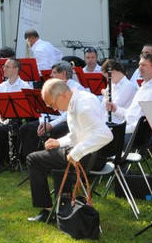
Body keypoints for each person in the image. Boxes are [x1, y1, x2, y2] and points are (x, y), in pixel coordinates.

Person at [25, 78, 113, 223]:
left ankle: (47, 210)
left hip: (90, 157)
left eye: (53, 104)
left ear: (62, 95)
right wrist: (59, 142)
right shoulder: (81, 98)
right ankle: (63, 208)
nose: (54, 109)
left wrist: (77, 152)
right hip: (92, 154)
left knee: (33, 159)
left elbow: (106, 135)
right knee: (52, 159)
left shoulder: (82, 107)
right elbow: (78, 135)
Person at [18, 61, 85, 160]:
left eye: (54, 72)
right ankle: (30, 160)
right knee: (25, 129)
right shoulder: (51, 86)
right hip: (50, 118)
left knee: (55, 131)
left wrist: (51, 125)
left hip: (65, 120)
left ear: (63, 74)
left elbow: (68, 114)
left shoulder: (76, 88)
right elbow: (42, 107)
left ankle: (52, 161)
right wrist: (42, 123)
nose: (50, 75)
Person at [106, 52, 152, 147]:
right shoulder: (144, 87)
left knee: (102, 141)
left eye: (144, 65)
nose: (140, 68)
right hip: (130, 131)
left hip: (139, 138)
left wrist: (118, 129)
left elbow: (142, 124)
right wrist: (116, 109)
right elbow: (132, 114)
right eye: (139, 64)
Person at [99, 58, 137, 125]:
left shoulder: (128, 85)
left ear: (113, 72)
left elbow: (112, 107)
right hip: (108, 121)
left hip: (120, 124)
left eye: (108, 77)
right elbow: (102, 108)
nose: (107, 80)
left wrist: (105, 94)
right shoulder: (112, 85)